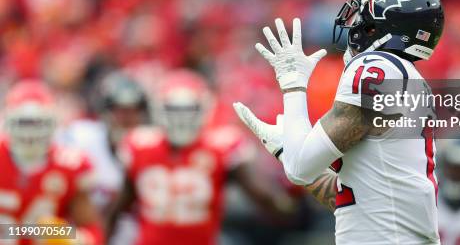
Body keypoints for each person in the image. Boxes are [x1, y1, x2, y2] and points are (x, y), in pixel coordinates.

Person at [234, 0, 445, 244]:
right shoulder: (404, 78)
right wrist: (284, 148)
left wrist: (293, 85)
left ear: (377, 27)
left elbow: (299, 168)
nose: (355, 23)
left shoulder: (377, 68)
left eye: (361, 16)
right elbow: (350, 197)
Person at [106, 69, 294, 245]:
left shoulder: (220, 147)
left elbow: (265, 198)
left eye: (188, 111)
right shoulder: (140, 145)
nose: (181, 119)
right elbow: (119, 206)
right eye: (175, 111)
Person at [0, 80, 103, 244]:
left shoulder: (70, 165)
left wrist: (73, 240)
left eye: (37, 124)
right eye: (23, 123)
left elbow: (91, 231)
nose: (29, 134)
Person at [59, 71, 148, 244]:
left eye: (133, 111)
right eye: (120, 110)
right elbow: (21, 229)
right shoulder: (81, 139)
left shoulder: (149, 147)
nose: (126, 119)